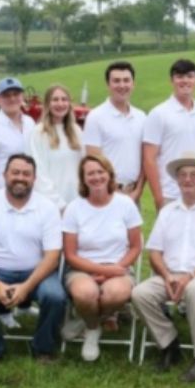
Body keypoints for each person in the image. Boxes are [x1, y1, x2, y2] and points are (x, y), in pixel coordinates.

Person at [132, 153, 195, 382]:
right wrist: (168, 276)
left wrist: (190, 276)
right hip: (169, 275)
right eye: (183, 175)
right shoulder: (167, 212)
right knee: (140, 293)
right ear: (177, 180)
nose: (188, 179)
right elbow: (155, 252)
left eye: (194, 175)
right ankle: (169, 344)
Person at [0, 154, 66, 368]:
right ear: (5, 175)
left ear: (34, 178)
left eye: (26, 174)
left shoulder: (47, 208)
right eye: (15, 172)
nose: (20, 178)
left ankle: (43, 348)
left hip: (37, 272)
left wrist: (27, 287)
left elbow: (52, 256)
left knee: (56, 297)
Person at [62, 154, 143, 362]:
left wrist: (115, 269)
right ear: (83, 178)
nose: (96, 177)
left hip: (119, 266)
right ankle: (93, 329)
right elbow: (70, 254)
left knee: (115, 294)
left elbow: (135, 246)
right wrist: (102, 272)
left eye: (100, 172)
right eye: (90, 173)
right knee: (85, 293)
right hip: (82, 268)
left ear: (109, 175)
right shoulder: (74, 208)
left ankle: (87, 322)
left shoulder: (125, 204)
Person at [142, 59, 195, 211]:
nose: (185, 81)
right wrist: (158, 198)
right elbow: (149, 158)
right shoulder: (158, 113)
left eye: (189, 76)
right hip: (170, 195)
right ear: (172, 80)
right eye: (180, 77)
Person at [83, 61, 147, 202]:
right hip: (106, 193)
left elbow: (145, 159)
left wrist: (138, 191)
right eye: (116, 81)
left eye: (126, 80)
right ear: (108, 85)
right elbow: (93, 160)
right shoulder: (96, 117)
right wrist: (113, 191)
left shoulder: (141, 117)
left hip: (133, 194)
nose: (122, 85)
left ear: (133, 84)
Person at [28, 84, 83, 210]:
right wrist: (58, 204)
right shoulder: (39, 133)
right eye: (55, 99)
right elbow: (39, 172)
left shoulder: (76, 131)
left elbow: (84, 166)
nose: (60, 104)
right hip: (50, 205)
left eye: (64, 99)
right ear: (47, 104)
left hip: (77, 202)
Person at [0, 76, 35, 193]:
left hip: (29, 194)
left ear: (22, 97)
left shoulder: (30, 123)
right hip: (3, 195)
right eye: (6, 95)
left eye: (16, 94)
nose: (12, 98)